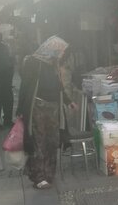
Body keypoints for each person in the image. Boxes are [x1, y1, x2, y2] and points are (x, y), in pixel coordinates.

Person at [17, 36, 75, 189]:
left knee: (52, 141)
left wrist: (69, 102)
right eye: (61, 51)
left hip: (54, 108)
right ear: (52, 49)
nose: (62, 55)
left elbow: (59, 87)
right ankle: (38, 176)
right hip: (37, 106)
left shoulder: (54, 64)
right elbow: (25, 86)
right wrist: (20, 110)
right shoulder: (33, 63)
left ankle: (49, 173)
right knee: (38, 141)